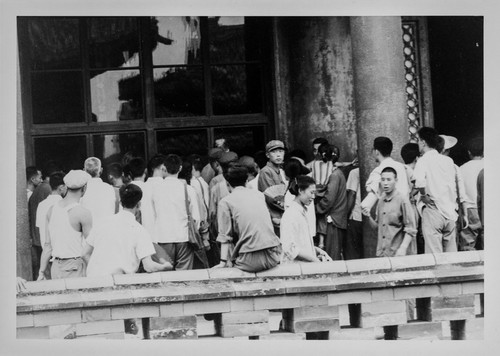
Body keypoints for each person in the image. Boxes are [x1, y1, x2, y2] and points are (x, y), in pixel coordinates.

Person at [83, 184, 173, 276]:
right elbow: (148, 266)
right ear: (139, 205)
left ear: (120, 203)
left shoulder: (102, 223)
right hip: (120, 283)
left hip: (94, 280)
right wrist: (164, 266)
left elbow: (85, 253)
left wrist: (98, 271)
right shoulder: (140, 231)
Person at [214, 164, 282, 272]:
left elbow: (224, 236)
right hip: (273, 256)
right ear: (246, 181)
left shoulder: (225, 202)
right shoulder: (259, 195)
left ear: (227, 184)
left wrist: (222, 262)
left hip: (249, 261)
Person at [413, 127, 468, 254]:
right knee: (451, 255)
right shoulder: (449, 161)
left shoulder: (423, 160)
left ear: (423, 142)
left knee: (434, 257)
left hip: (433, 209)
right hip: (450, 212)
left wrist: (423, 195)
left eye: (418, 141)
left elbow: (419, 181)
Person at [37, 170, 93, 280]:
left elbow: (48, 245)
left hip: (56, 267)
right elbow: (90, 245)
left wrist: (41, 272)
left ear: (66, 187)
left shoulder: (51, 210)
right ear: (84, 188)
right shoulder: (83, 213)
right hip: (74, 266)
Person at [151, 154, 200, 270]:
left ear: (164, 169)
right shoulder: (188, 189)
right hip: (183, 237)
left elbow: (153, 216)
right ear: (180, 168)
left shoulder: (155, 190)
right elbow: (196, 217)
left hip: (163, 237)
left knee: (165, 274)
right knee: (184, 276)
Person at [281, 175, 330, 263]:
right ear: (300, 191)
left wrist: (318, 251)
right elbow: (289, 248)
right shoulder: (291, 214)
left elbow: (302, 244)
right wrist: (313, 259)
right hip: (296, 269)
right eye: (311, 192)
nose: (313, 196)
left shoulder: (301, 212)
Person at [369, 167, 417, 257]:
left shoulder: (402, 200)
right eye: (383, 180)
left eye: (389, 180)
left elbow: (411, 229)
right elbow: (378, 227)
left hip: (398, 254)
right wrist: (367, 215)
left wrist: (403, 248)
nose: (385, 183)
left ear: (396, 180)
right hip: (382, 253)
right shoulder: (381, 200)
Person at [361, 137, 409, 217]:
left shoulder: (379, 170)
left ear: (376, 151)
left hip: (388, 214)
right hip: (404, 211)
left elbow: (371, 190)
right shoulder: (401, 166)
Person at [315, 144, 347, 260]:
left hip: (332, 221)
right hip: (335, 219)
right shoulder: (336, 173)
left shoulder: (334, 175)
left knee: (330, 257)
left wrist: (315, 209)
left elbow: (328, 199)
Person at [258, 140, 288, 236]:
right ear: (267, 155)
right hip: (274, 216)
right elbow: (272, 198)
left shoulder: (279, 171)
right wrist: (289, 207)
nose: (278, 155)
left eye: (281, 151)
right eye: (274, 152)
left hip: (281, 215)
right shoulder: (266, 171)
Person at [459, 137, 484, 251]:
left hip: (469, 210)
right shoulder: (491, 166)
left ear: (469, 152)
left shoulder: (462, 169)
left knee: (467, 246)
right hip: (487, 208)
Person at [35, 172, 67, 254]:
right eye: (66, 186)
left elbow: (39, 226)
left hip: (45, 252)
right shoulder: (63, 204)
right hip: (61, 254)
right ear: (61, 187)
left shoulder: (41, 205)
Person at [80, 157, 117, 225]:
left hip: (88, 233)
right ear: (101, 170)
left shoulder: (81, 191)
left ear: (84, 170)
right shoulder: (110, 189)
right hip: (107, 231)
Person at [345, 167, 363, 260]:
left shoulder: (355, 172)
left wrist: (346, 215)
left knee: (353, 253)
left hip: (356, 216)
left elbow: (352, 194)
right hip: (371, 218)